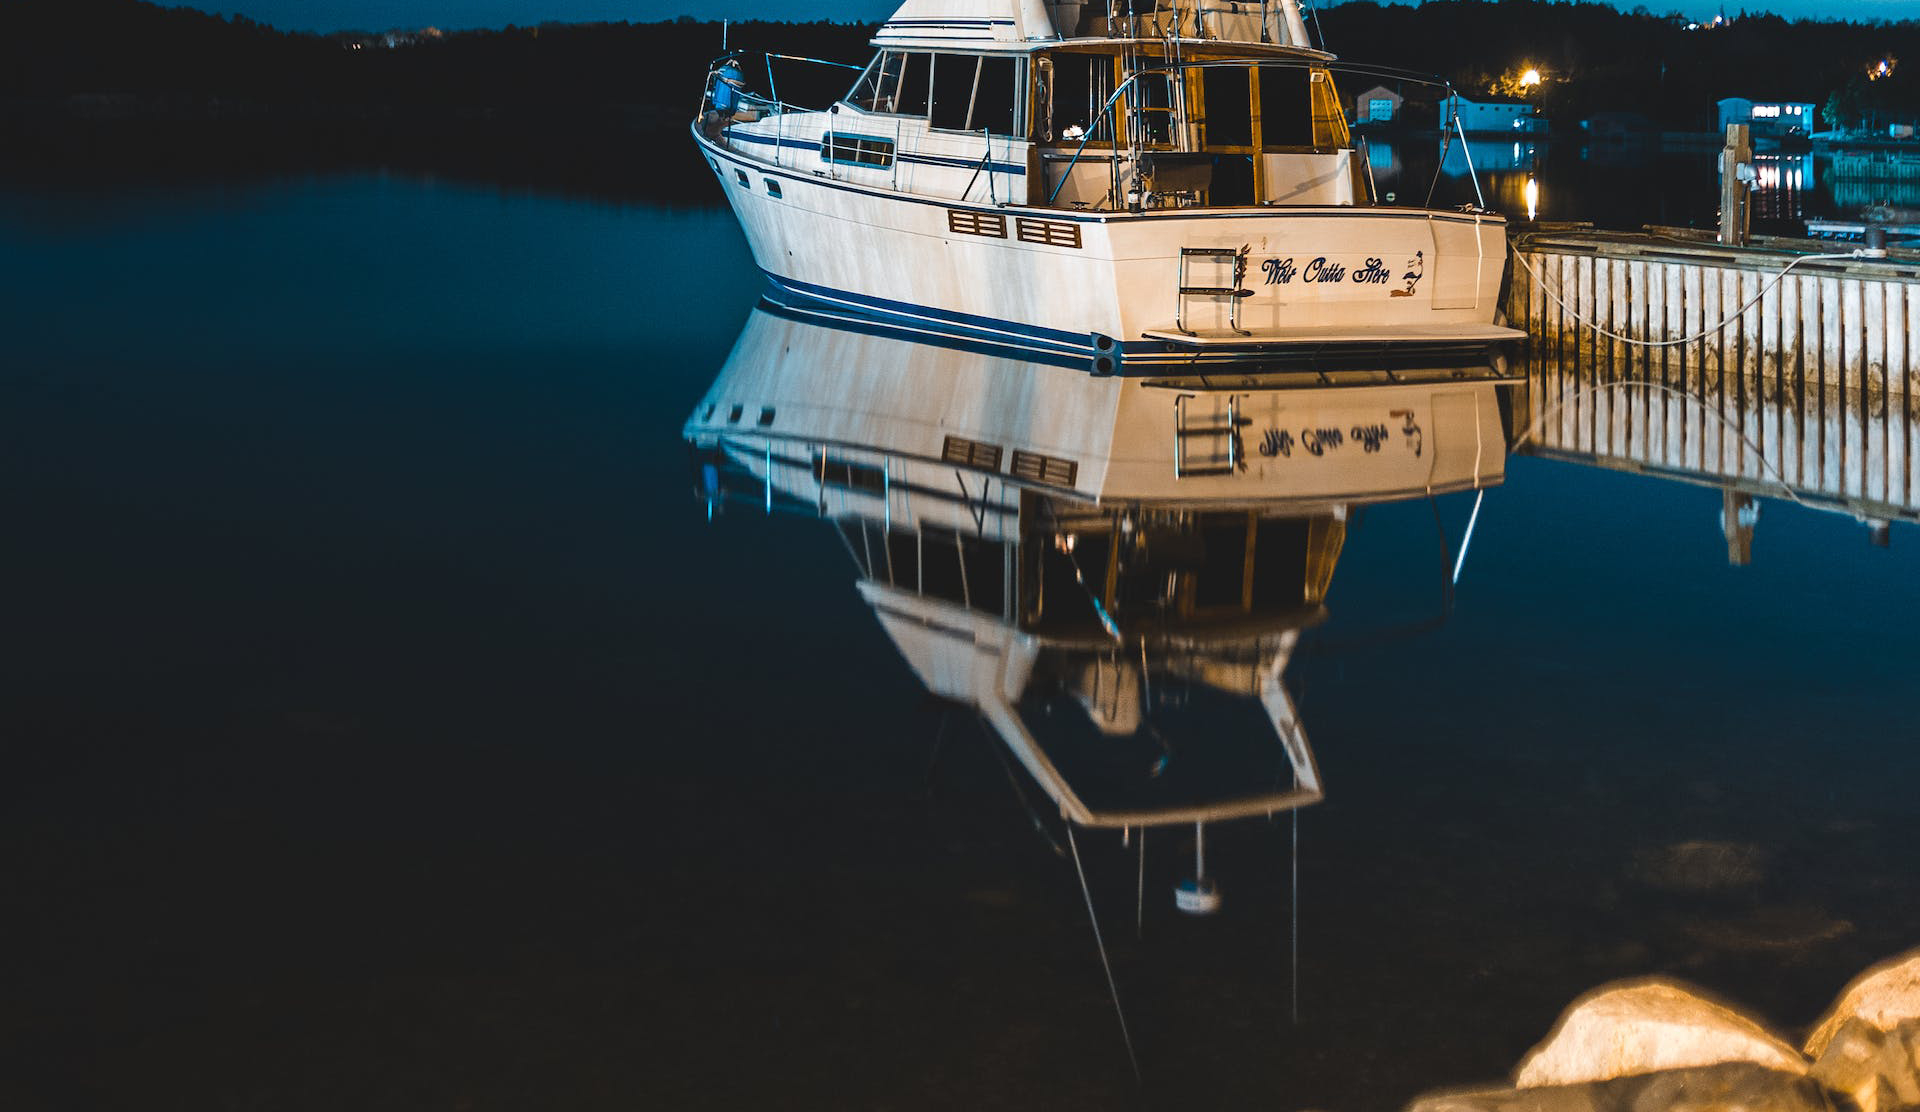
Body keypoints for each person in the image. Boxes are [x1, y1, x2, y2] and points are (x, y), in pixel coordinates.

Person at [703, 59, 747, 140]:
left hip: (724, 104)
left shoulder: (725, 71)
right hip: (727, 106)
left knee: (724, 110)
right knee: (725, 111)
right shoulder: (732, 72)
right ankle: (720, 126)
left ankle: (717, 129)